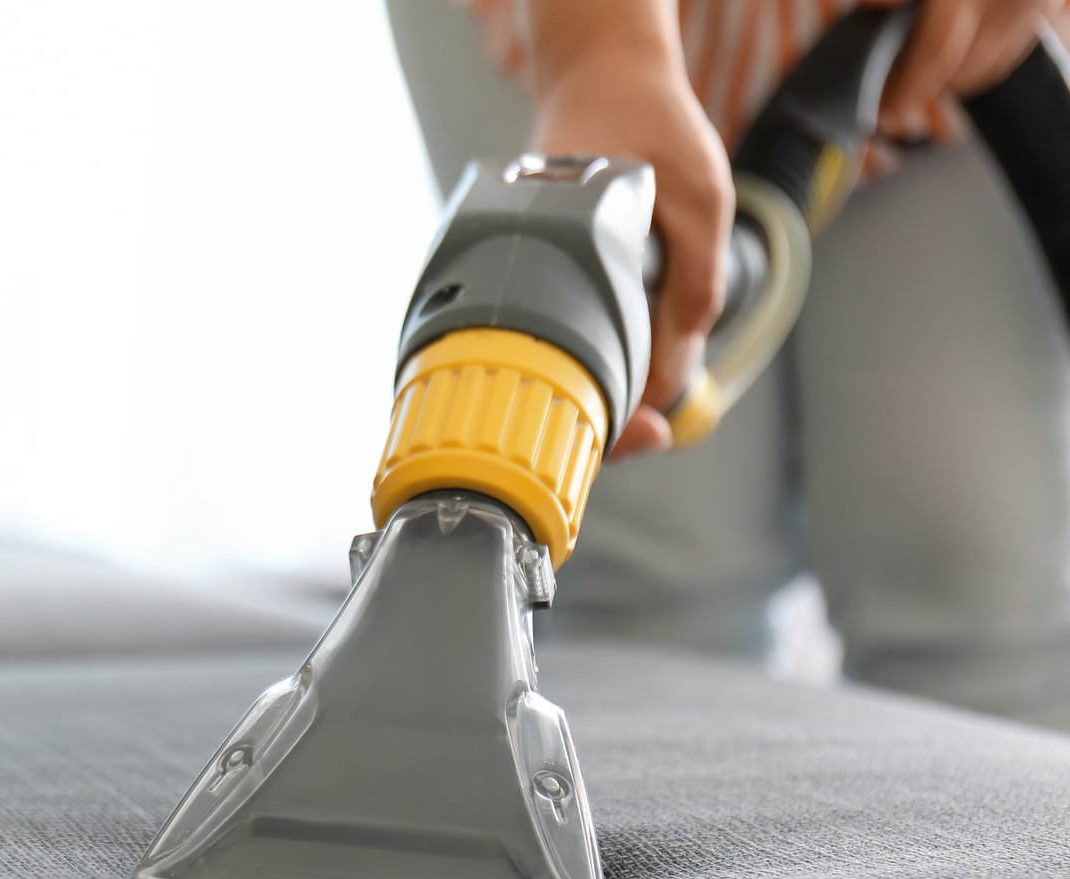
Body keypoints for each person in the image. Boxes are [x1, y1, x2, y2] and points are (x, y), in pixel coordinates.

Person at [387, 0, 1070, 730]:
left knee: (973, 572)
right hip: (562, 36)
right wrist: (598, 56)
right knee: (654, 579)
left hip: (955, 52)